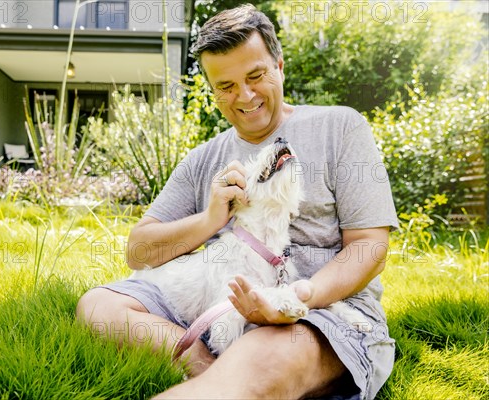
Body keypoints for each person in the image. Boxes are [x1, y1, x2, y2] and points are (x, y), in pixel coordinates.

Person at [76, 4, 398, 399]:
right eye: (225, 86)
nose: (244, 96)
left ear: (279, 65)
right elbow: (139, 251)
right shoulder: (202, 160)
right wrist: (211, 218)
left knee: (263, 356)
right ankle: (206, 367)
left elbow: (369, 246)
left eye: (256, 76)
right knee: (99, 306)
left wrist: (295, 299)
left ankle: (230, 380)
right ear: (212, 90)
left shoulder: (340, 127)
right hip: (216, 310)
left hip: (319, 313)